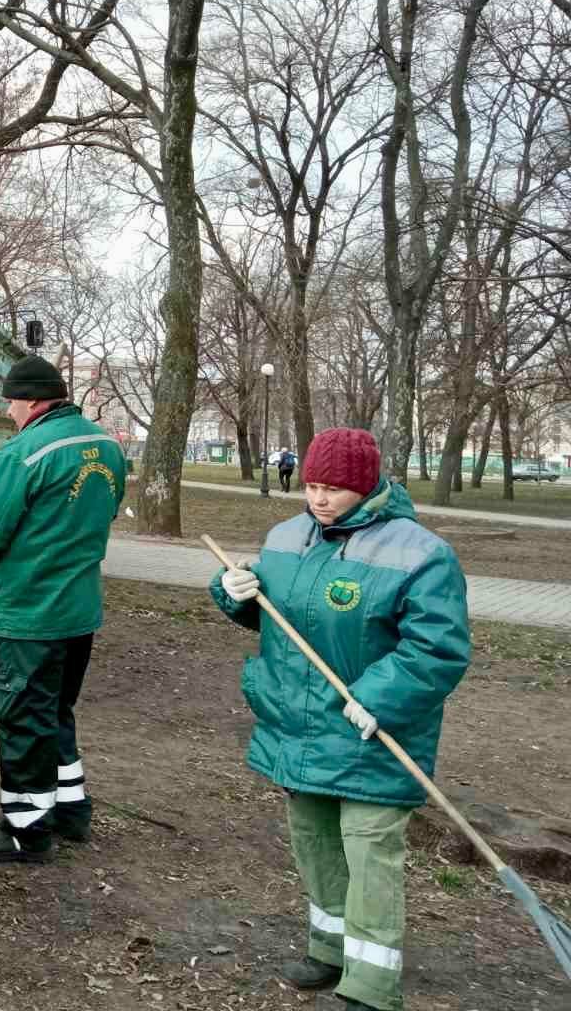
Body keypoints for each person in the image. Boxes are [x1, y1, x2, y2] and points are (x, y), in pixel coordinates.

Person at [210, 427, 470, 1011]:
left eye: (333, 488)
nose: (319, 499)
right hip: (300, 726)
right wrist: (234, 593)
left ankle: (372, 983)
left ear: (366, 486)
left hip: (373, 731)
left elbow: (438, 649)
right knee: (316, 843)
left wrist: (380, 696)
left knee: (369, 851)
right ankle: (328, 949)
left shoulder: (419, 552)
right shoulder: (286, 536)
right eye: (311, 486)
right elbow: (281, 621)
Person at [0, 354, 128, 863]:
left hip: (31, 610)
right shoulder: (106, 447)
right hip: (79, 608)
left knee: (25, 717)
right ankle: (72, 809)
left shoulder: (23, 455)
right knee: (56, 709)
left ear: (32, 400)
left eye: (11, 401)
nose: (8, 410)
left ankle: (25, 831)